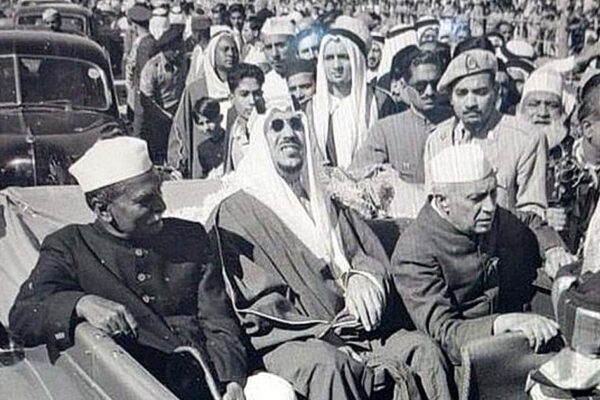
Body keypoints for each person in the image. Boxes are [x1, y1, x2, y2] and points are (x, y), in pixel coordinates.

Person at [8, 136, 297, 400]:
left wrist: (232, 381)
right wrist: (81, 303)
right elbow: (23, 317)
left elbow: (218, 318)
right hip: (135, 386)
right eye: (144, 200)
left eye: (159, 191)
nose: (161, 205)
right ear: (102, 209)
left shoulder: (190, 236)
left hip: (209, 379)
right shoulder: (70, 245)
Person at [210, 99, 454, 400]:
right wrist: (325, 334)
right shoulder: (236, 212)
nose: (289, 133)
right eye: (277, 126)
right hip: (295, 341)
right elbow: (259, 303)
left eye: (296, 124)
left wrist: (361, 277)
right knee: (331, 366)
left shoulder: (326, 202)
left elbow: (365, 253)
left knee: (423, 351)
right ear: (261, 141)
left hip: (357, 330)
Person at [392, 144, 561, 366]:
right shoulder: (415, 251)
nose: (490, 207)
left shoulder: (484, 216)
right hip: (468, 360)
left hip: (512, 339)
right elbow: (445, 334)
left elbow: (529, 221)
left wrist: (553, 249)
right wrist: (504, 323)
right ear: (443, 201)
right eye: (476, 198)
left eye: (493, 193)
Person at [424, 48, 575, 277]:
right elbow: (431, 206)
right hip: (447, 260)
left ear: (495, 92)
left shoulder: (526, 138)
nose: (471, 102)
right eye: (462, 93)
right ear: (451, 99)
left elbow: (531, 212)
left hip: (502, 262)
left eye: (480, 92)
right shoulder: (437, 140)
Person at [351, 49, 452, 186]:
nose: (429, 92)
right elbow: (356, 177)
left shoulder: (455, 122)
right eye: (420, 86)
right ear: (405, 86)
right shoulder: (385, 130)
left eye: (435, 84)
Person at [168, 30, 239, 177]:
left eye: (234, 49)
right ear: (213, 54)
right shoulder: (196, 90)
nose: (231, 54)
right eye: (225, 49)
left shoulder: (243, 89)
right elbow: (180, 130)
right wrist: (177, 165)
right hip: (205, 170)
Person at [311, 16, 374, 169]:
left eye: (343, 57)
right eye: (329, 58)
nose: (336, 66)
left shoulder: (379, 101)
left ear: (356, 60)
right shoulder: (310, 109)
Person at [136, 26, 187, 164]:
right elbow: (147, 101)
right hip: (158, 119)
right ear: (165, 49)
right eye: (174, 50)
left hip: (178, 116)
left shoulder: (183, 62)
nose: (178, 52)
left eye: (180, 48)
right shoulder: (152, 68)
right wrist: (165, 116)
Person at [223, 63, 265, 172]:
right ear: (232, 98)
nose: (252, 101)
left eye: (256, 94)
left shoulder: (269, 128)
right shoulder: (234, 130)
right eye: (244, 94)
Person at [124, 5, 157, 125]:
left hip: (141, 97)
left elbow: (142, 74)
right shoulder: (150, 41)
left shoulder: (143, 46)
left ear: (134, 25)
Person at [260, 17, 295, 103]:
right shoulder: (264, 84)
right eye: (268, 47)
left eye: (281, 46)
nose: (274, 54)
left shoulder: (312, 78)